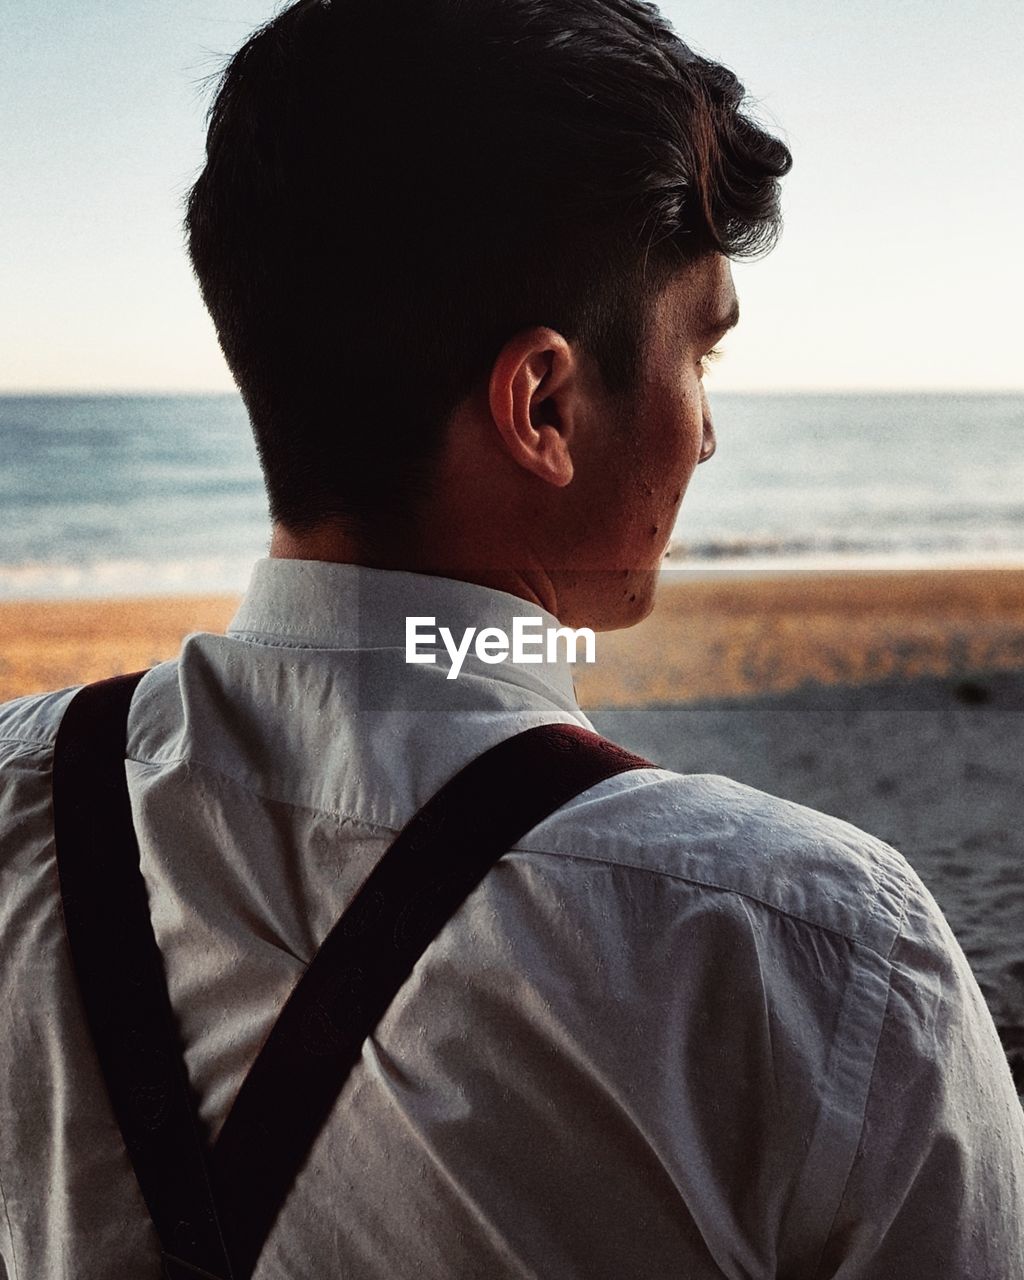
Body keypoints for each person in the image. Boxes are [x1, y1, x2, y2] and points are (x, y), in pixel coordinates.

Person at [1, 0, 1022, 1275]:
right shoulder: (805, 949)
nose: (705, 434)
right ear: (542, 402)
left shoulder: (19, 799)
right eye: (699, 351)